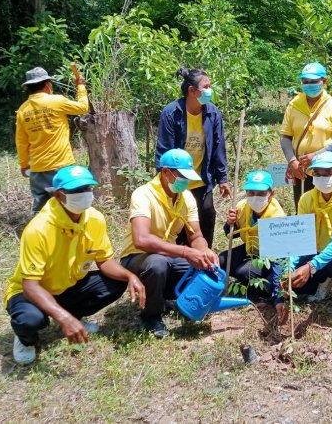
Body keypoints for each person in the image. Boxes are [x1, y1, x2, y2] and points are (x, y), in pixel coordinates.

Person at [4, 165, 145, 364]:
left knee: (116, 282)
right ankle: (26, 340)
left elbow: (104, 261)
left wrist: (131, 276)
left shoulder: (94, 218)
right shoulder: (39, 229)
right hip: (32, 292)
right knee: (31, 320)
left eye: (88, 188)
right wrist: (62, 318)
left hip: (68, 285)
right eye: (77, 191)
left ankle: (74, 315)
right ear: (60, 195)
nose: (85, 194)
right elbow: (30, 285)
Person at [120, 149, 220, 338]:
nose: (185, 181)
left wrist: (205, 251)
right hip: (137, 259)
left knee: (207, 268)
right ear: (165, 172)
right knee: (157, 263)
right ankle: (151, 316)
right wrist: (184, 252)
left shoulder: (186, 197)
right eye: (181, 176)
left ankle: (180, 302)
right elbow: (141, 239)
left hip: (169, 257)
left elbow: (196, 235)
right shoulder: (143, 194)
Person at [271, 152, 332, 329]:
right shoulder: (307, 199)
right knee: (293, 282)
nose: (321, 178)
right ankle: (323, 281)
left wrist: (310, 267)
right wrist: (290, 270)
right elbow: (300, 238)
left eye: (327, 173)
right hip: (313, 251)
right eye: (317, 174)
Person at [156, 68, 230, 248]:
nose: (210, 90)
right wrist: (165, 180)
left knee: (206, 218)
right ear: (192, 90)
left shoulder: (212, 113)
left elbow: (218, 146)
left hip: (202, 180)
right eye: (207, 86)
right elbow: (164, 150)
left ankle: (205, 263)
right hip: (177, 180)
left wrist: (222, 178)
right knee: (179, 225)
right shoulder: (172, 113)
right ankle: (181, 266)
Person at [15, 66, 89, 213]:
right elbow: (82, 107)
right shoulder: (57, 101)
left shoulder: (23, 110)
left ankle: (40, 233)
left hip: (37, 168)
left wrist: (24, 165)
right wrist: (80, 86)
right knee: (69, 205)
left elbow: (21, 142)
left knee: (41, 209)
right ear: (48, 84)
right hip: (62, 165)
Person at [280, 62, 332, 211]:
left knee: (327, 209)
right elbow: (285, 137)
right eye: (305, 81)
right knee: (304, 209)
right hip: (301, 170)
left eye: (313, 81)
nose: (309, 84)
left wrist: (317, 155)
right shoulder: (293, 105)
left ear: (324, 81)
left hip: (326, 170)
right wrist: (292, 161)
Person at [219, 170, 286, 295]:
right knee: (221, 260)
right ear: (246, 192)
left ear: (271, 193)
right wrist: (230, 223)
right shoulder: (242, 207)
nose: (255, 197)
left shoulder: (277, 217)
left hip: (269, 256)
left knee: (243, 272)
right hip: (250, 247)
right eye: (251, 192)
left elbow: (280, 256)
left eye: (261, 193)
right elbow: (232, 234)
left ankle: (263, 284)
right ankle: (241, 284)